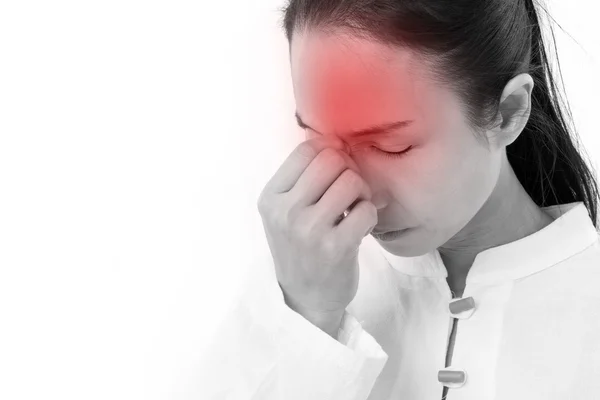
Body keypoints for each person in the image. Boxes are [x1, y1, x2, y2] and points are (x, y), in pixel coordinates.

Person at [200, 0, 600, 399]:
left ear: (509, 112)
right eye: (320, 139)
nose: (357, 192)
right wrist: (308, 315)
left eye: (392, 145)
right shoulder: (296, 283)